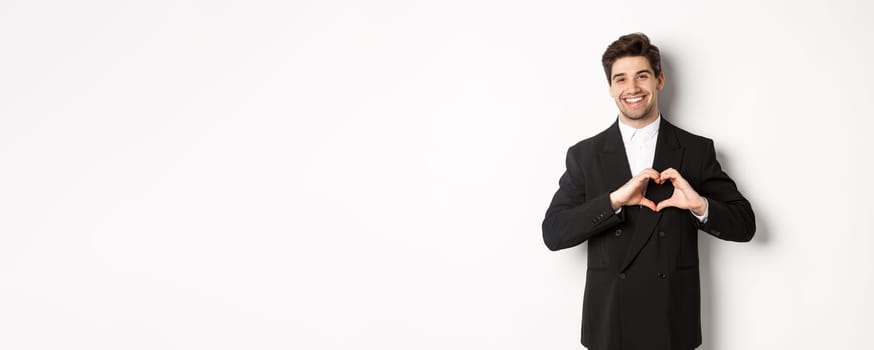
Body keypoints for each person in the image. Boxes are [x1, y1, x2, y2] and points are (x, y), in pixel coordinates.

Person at [542, 33, 755, 350]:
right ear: (611, 88)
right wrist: (613, 201)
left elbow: (745, 225)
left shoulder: (695, 150)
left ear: (659, 80)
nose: (632, 88)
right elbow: (554, 233)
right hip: (610, 326)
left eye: (642, 76)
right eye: (621, 79)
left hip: (671, 321)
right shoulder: (585, 155)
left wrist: (699, 205)